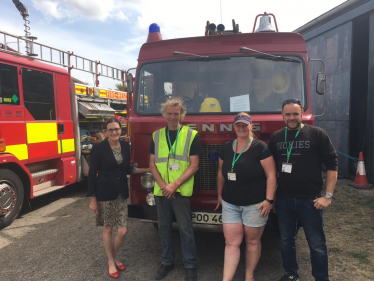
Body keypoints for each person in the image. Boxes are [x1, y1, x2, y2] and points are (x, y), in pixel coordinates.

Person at [269, 99, 338, 281]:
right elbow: (272, 170)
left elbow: (332, 164)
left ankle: (321, 278)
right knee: (286, 241)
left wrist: (328, 196)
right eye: (288, 114)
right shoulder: (276, 137)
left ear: (301, 114)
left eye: (295, 114)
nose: (292, 118)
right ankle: (291, 274)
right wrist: (274, 197)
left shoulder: (317, 134)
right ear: (282, 116)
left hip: (311, 200)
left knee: (316, 244)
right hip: (284, 199)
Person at [214, 112, 277, 281]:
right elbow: (221, 173)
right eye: (238, 125)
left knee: (252, 241)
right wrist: (220, 195)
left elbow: (271, 175)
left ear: (251, 126)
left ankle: (249, 275)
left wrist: (269, 200)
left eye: (245, 125)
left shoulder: (260, 147)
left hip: (255, 204)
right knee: (231, 243)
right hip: (230, 203)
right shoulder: (226, 147)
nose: (241, 128)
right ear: (234, 127)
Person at [88, 117, 150, 279]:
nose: (114, 132)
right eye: (110, 130)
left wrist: (148, 169)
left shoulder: (125, 146)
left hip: (121, 193)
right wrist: (93, 198)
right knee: (108, 228)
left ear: (121, 130)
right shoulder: (99, 148)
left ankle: (112, 256)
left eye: (116, 129)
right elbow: (91, 174)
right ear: (105, 132)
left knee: (123, 231)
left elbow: (126, 169)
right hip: (105, 193)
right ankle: (111, 261)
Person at [149, 97, 203, 281]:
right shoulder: (156, 136)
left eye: (176, 113)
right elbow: (152, 164)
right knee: (163, 229)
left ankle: (190, 265)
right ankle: (167, 262)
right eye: (170, 113)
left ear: (182, 115)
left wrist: (174, 185)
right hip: (161, 191)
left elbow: (194, 165)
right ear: (165, 114)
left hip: (180, 191)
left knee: (185, 229)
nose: (173, 117)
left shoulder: (191, 135)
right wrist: (164, 186)